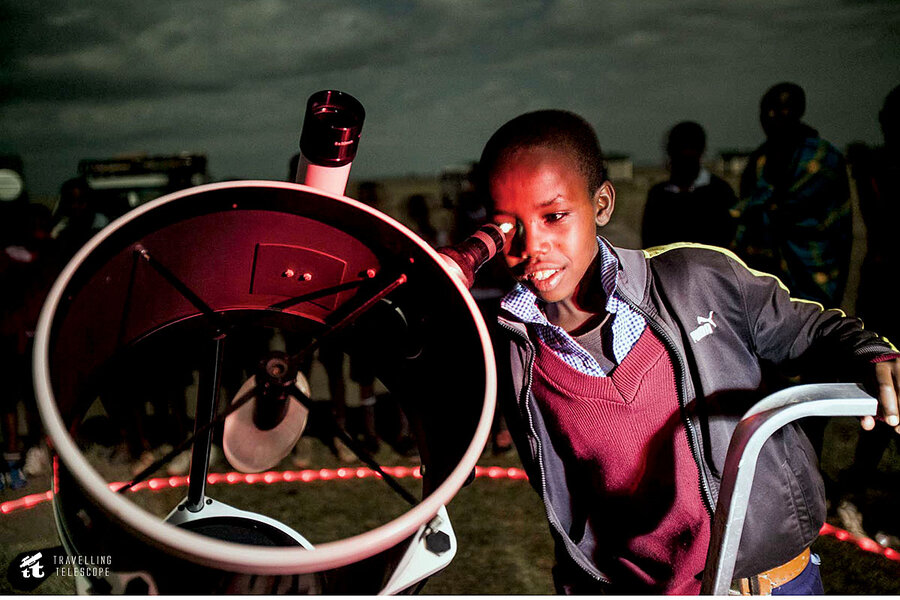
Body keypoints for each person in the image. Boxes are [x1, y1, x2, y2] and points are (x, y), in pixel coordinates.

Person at [478, 109, 900, 595]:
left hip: (773, 585)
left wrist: (870, 353)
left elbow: (812, 329)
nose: (533, 246)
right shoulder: (511, 352)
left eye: (554, 216)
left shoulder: (699, 280)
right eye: (509, 228)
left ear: (602, 204)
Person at [835, 84, 900, 545]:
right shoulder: (876, 167)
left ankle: (859, 488)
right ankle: (856, 488)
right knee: (878, 397)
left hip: (885, 288)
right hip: (886, 293)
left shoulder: (873, 165)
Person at [731, 82, 852, 308]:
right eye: (765, 110)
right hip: (768, 274)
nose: (770, 116)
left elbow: (793, 210)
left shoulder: (822, 158)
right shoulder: (759, 161)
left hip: (814, 270)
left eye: (780, 108)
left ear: (798, 111)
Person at [642, 121, 737, 248]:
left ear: (701, 151)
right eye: (679, 149)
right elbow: (650, 244)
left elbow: (729, 241)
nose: (684, 156)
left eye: (690, 149)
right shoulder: (658, 195)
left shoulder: (721, 192)